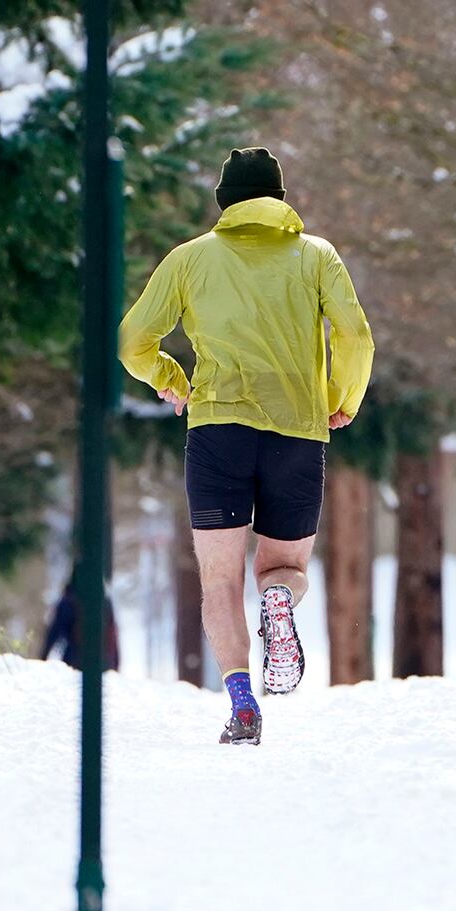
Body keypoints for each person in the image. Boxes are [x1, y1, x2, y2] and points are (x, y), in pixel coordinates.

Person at [119, 146, 374, 745]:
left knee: (219, 581)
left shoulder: (190, 259)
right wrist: (341, 397)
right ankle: (279, 599)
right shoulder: (317, 256)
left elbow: (132, 340)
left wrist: (170, 378)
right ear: (280, 199)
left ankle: (242, 705)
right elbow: (355, 335)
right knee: (284, 567)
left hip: (217, 434)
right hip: (297, 431)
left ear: (223, 203)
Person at [40, 573, 121, 672]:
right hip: (104, 664)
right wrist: (115, 665)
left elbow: (54, 632)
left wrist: (43, 657)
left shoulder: (69, 600)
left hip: (74, 662)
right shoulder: (105, 602)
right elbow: (112, 634)